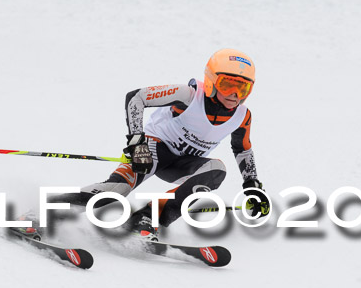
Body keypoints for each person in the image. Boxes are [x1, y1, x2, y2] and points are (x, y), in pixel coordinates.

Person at [36, 48, 269, 241]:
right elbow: (136, 97)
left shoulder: (242, 116)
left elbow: (243, 148)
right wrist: (137, 142)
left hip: (183, 164)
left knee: (216, 170)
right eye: (228, 84)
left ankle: (146, 219)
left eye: (244, 88)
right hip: (151, 152)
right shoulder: (188, 95)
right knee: (114, 193)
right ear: (211, 81)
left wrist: (252, 185)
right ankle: (39, 214)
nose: (235, 94)